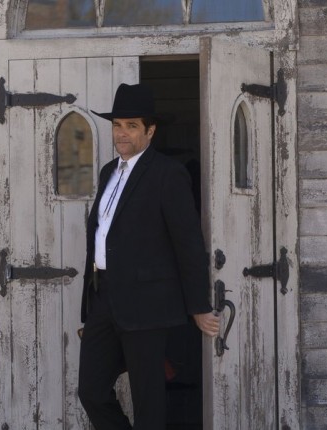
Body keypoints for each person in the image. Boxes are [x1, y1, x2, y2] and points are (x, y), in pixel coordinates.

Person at [78, 83, 220, 429]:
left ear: (150, 131)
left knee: (148, 401)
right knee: (91, 391)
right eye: (117, 125)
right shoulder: (108, 172)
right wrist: (92, 302)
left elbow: (188, 242)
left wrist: (198, 306)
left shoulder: (167, 174)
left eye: (131, 126)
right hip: (104, 297)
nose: (122, 133)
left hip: (147, 303)